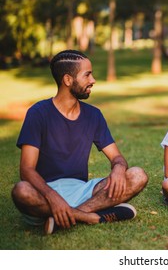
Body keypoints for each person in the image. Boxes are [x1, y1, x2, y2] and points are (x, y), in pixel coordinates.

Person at [11, 50, 148, 235]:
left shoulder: (93, 115)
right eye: (87, 74)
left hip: (82, 191)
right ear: (68, 80)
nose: (93, 80)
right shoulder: (38, 113)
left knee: (137, 175)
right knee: (21, 191)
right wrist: (53, 198)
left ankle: (70, 216)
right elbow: (26, 170)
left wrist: (118, 168)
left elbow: (117, 157)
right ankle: (91, 216)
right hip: (44, 193)